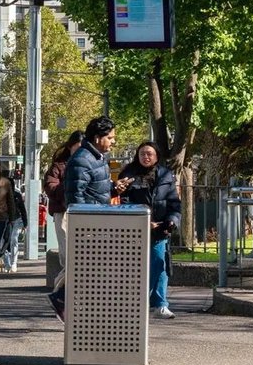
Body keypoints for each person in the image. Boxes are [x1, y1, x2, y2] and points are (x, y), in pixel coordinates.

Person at [47, 116, 118, 319]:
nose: (113, 141)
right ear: (97, 138)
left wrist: (113, 189)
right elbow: (75, 197)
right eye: (110, 137)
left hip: (97, 221)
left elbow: (95, 189)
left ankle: (76, 303)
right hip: (89, 224)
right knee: (84, 267)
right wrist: (83, 226)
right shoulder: (82, 160)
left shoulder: (96, 158)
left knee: (88, 269)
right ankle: (62, 298)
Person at [118, 141, 183, 318]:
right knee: (134, 268)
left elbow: (174, 203)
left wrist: (171, 220)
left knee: (159, 264)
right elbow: (124, 203)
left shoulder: (166, 175)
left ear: (156, 156)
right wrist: (143, 221)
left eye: (149, 154)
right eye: (142, 154)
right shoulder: (128, 175)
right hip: (134, 231)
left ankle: (160, 304)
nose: (145, 157)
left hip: (160, 230)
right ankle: (135, 302)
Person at [43, 131, 82, 257]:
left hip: (83, 211)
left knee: (81, 253)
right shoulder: (59, 166)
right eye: (78, 148)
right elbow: (51, 187)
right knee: (66, 252)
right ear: (70, 147)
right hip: (63, 211)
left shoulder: (88, 166)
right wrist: (69, 186)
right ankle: (64, 270)